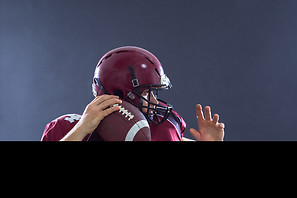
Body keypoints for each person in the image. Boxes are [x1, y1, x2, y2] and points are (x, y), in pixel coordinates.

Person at [41, 46, 225, 141]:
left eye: (154, 92)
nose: (155, 101)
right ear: (120, 93)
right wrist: (82, 129)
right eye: (147, 93)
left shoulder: (163, 125)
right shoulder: (67, 127)